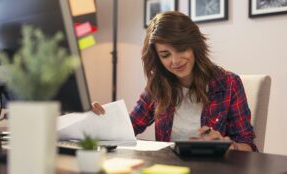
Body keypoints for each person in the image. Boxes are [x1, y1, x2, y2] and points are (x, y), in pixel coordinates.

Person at [92, 11, 257, 152]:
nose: (175, 60)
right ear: (158, 58)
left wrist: (227, 146)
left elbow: (248, 145)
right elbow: (128, 128)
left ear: (194, 45)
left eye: (181, 49)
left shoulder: (228, 83)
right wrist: (96, 121)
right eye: (165, 55)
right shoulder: (157, 86)